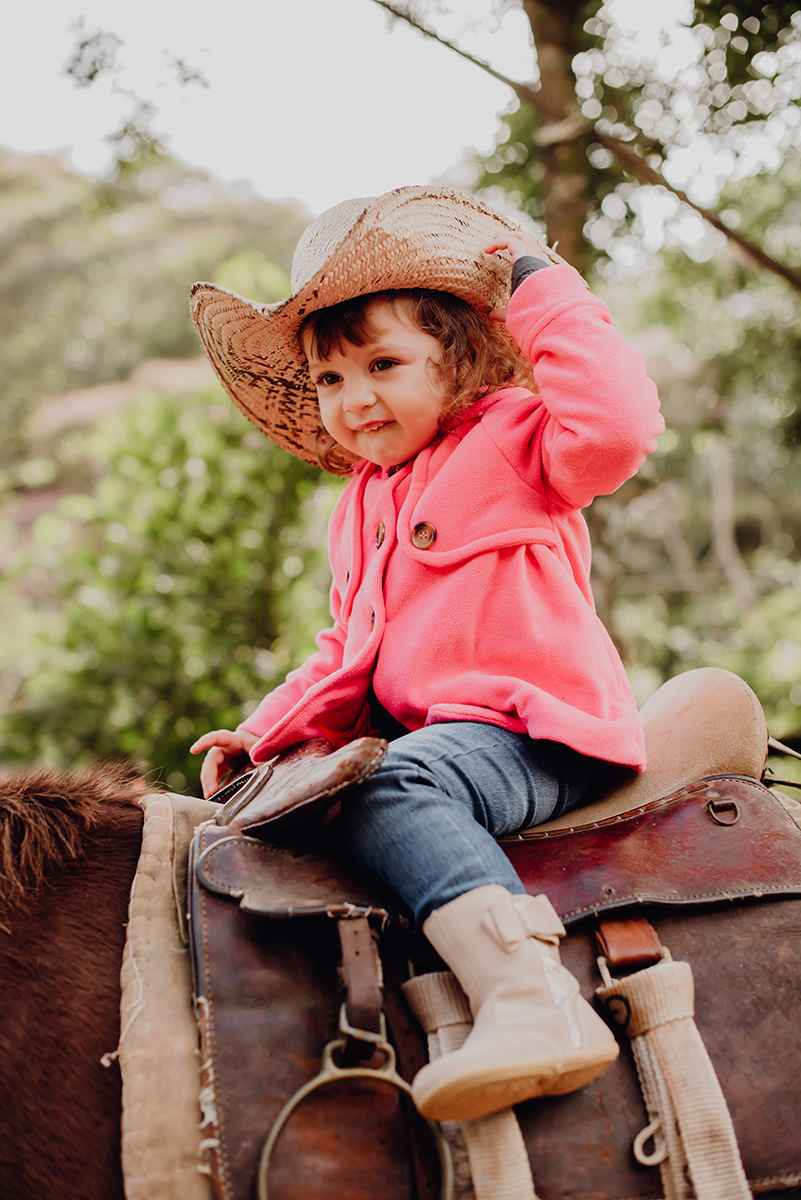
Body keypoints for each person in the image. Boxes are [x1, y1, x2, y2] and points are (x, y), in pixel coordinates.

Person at [189, 186, 664, 1123]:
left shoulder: (516, 439)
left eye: (384, 364)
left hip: (535, 733)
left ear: (460, 358)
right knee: (335, 793)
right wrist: (262, 735)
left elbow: (617, 430)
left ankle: (531, 997)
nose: (355, 398)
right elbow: (346, 650)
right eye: (330, 379)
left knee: (388, 785)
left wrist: (541, 289)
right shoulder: (362, 504)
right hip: (448, 742)